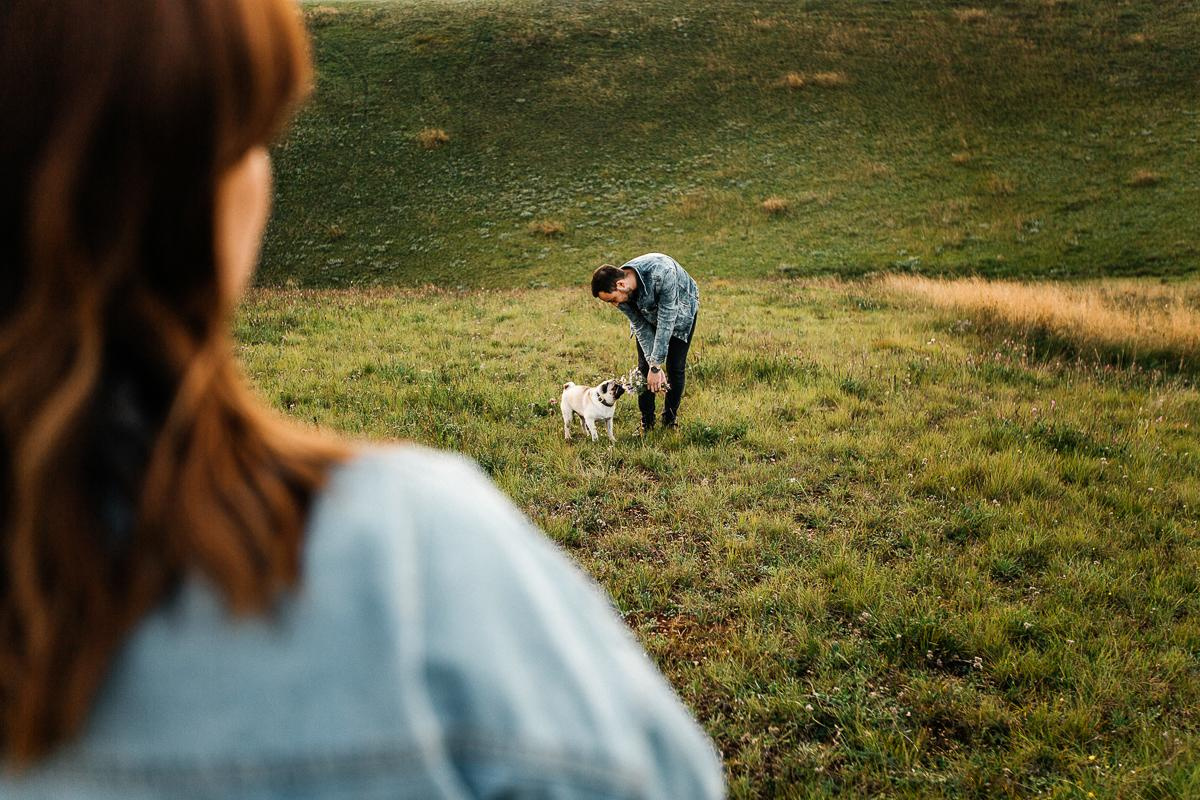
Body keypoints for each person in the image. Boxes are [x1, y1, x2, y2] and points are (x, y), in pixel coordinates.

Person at [0, 2, 725, 797]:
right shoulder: (409, 550)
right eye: (254, 140)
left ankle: (664, 418)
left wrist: (660, 363)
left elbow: (668, 326)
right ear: (217, 193)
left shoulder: (662, 282)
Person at [592, 254, 700, 431]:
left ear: (621, 285)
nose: (614, 305)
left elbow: (666, 321)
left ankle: (669, 420)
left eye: (612, 300)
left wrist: (656, 366)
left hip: (680, 312)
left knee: (675, 367)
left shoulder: (663, 273)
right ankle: (647, 422)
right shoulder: (621, 288)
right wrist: (652, 365)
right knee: (644, 368)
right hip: (648, 316)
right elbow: (640, 325)